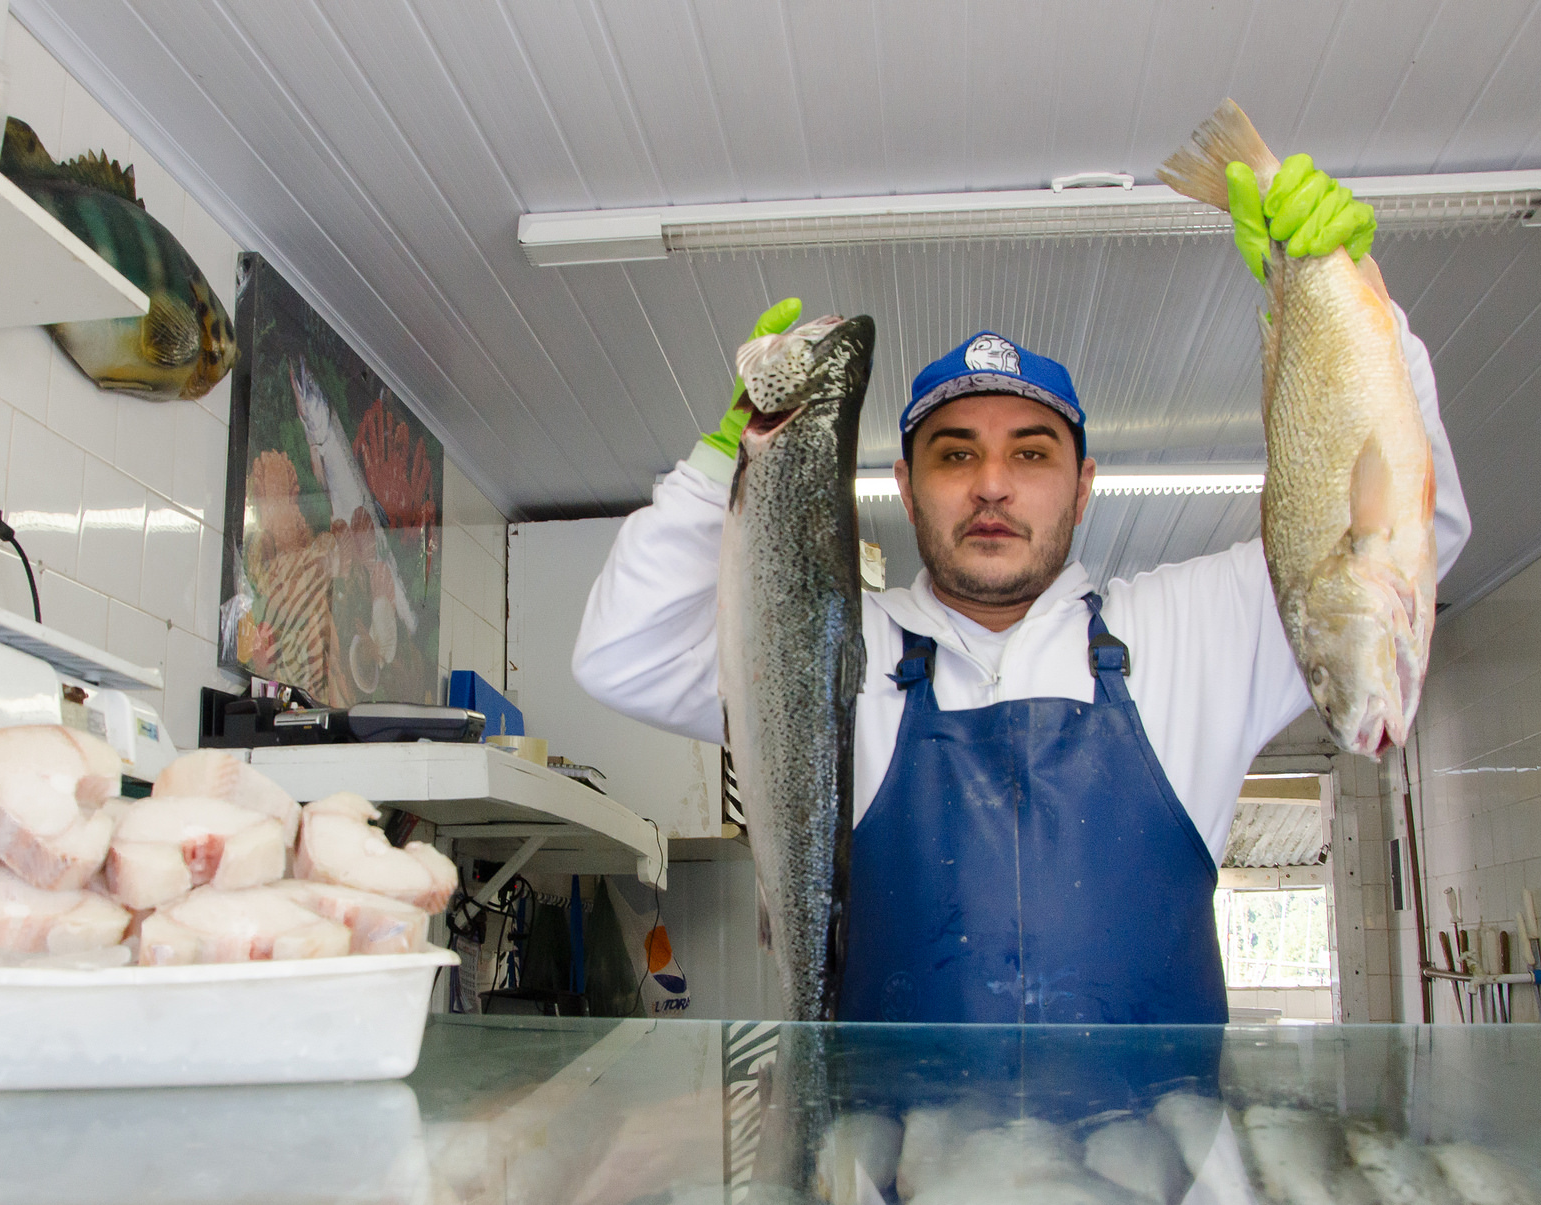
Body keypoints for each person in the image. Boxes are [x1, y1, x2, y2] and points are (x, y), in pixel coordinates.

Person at [571, 157, 1471, 1024]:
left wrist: (1361, 316)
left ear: (1082, 487)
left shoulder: (1199, 630)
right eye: (955, 453)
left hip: (1158, 1175)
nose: (991, 483)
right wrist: (727, 469)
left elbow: (1403, 535)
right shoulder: (831, 653)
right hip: (897, 1175)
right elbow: (622, 657)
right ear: (908, 484)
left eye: (1031, 453)